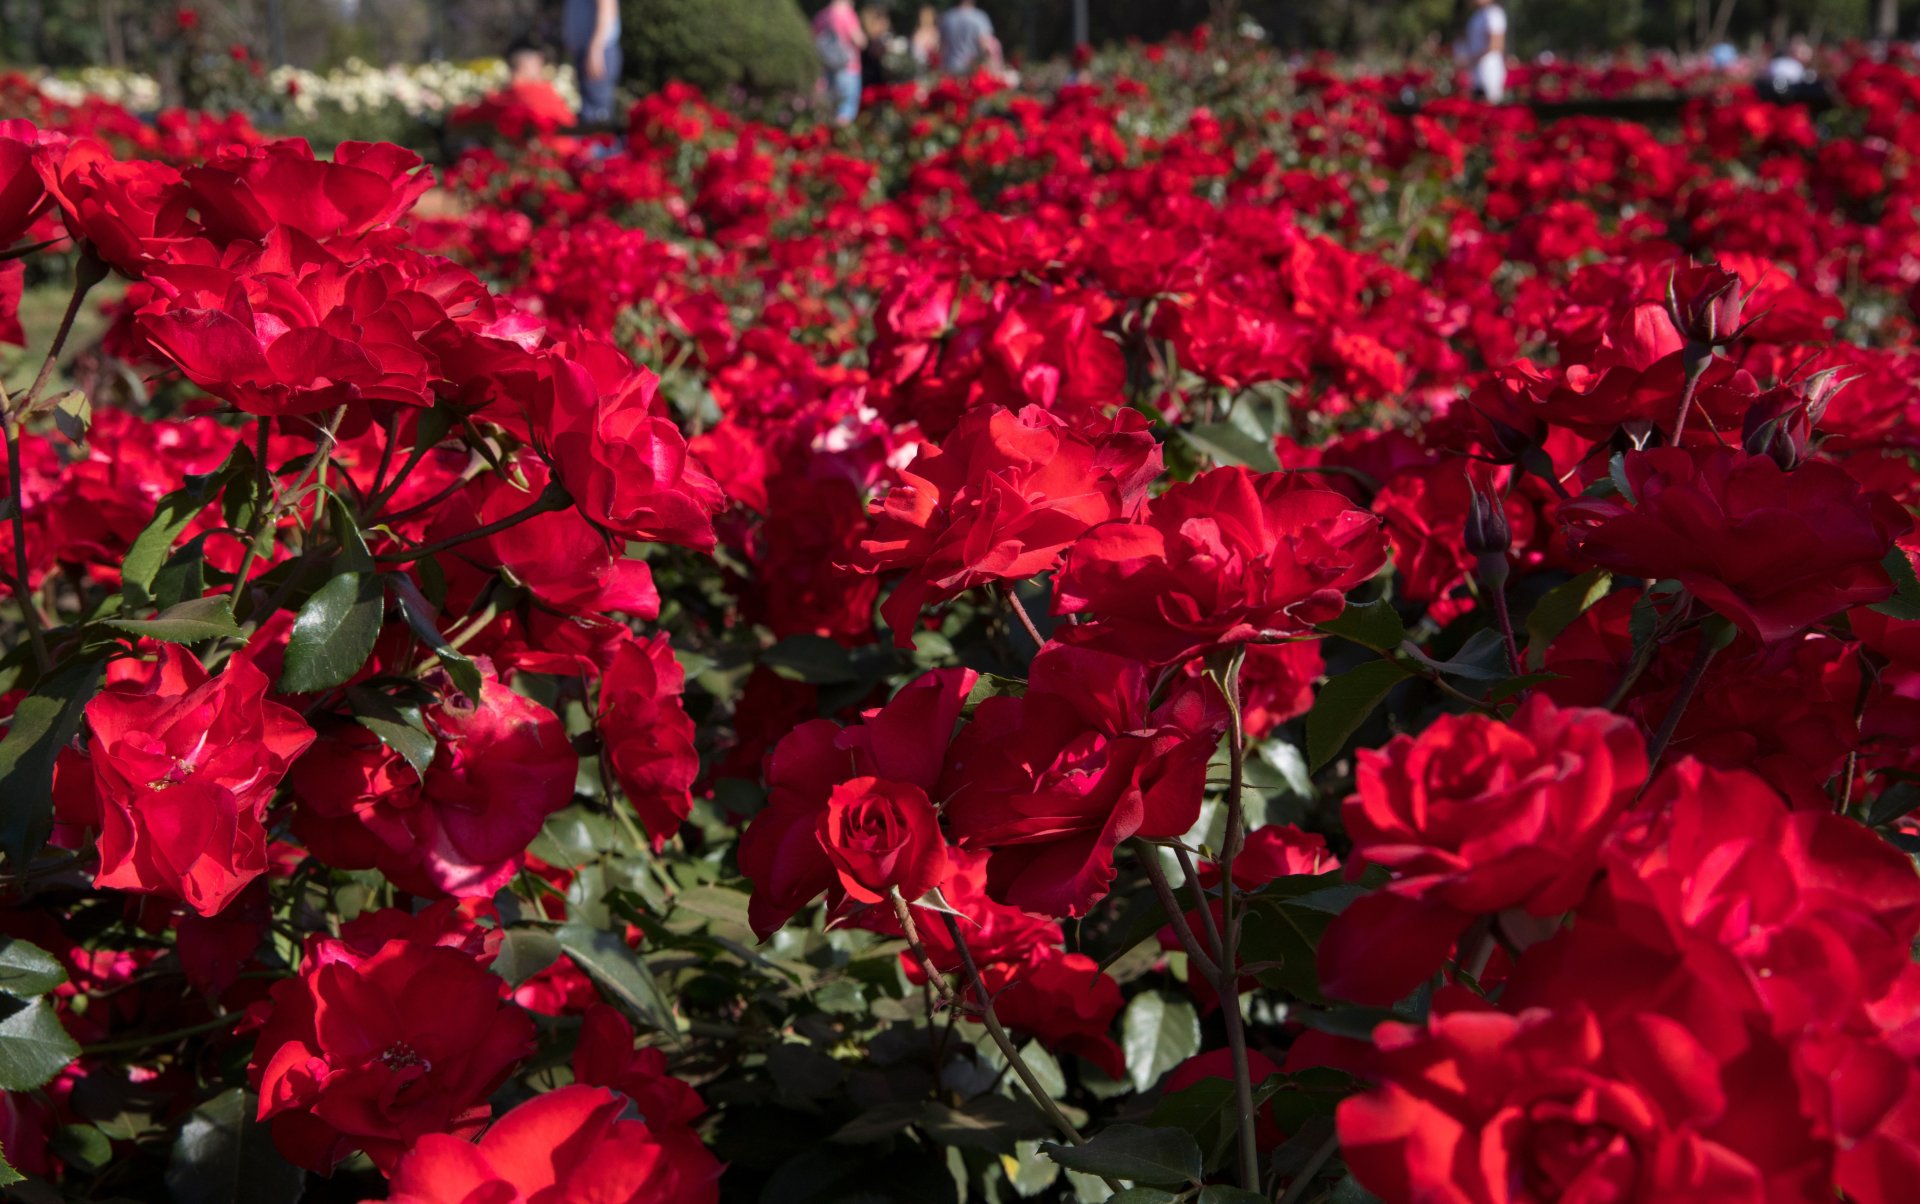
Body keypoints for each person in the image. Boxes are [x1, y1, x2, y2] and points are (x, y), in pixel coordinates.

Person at [562, 0, 621, 125]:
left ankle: (600, 144)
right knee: (588, 113)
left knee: (596, 116)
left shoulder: (596, 50)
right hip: (586, 51)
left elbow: (607, 9)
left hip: (598, 51)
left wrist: (596, 49)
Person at [814, 0, 868, 125]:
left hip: (827, 67)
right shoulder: (846, 13)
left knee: (830, 108)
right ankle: (842, 139)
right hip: (848, 67)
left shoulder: (822, 15)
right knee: (846, 109)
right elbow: (859, 40)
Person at [1455, 0, 1507, 103]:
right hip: (1476, 74)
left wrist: (1471, 60)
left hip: (1489, 73)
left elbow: (1496, 45)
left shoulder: (1494, 13)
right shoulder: (1476, 16)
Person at [937, 0, 1000, 76]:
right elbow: (986, 46)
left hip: (950, 67)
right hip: (972, 70)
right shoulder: (979, 18)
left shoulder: (947, 17)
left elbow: (941, 47)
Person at [910, 6, 941, 71]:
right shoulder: (917, 33)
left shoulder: (936, 32)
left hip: (933, 67)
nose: (926, 19)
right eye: (923, 16)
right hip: (919, 66)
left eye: (928, 16)